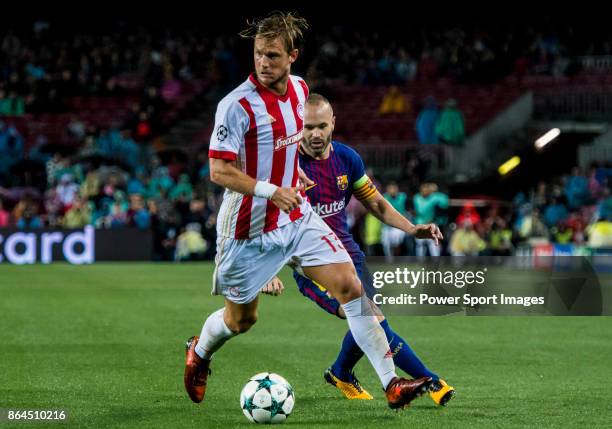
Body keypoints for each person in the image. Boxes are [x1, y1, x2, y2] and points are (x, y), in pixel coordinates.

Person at [183, 12, 433, 410]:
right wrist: (271, 189)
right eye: (258, 54)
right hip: (247, 228)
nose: (263, 63)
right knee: (241, 321)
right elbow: (219, 171)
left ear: (292, 56)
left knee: (352, 286)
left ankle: (391, 384)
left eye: (273, 55)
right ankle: (200, 352)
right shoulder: (236, 106)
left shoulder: (300, 91)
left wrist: (293, 177)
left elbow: (281, 151)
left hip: (295, 216)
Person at [263, 94, 454, 406]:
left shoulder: (347, 159)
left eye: (321, 126)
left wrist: (411, 228)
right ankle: (432, 381)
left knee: (367, 317)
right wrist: (266, 272)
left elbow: (375, 201)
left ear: (333, 124)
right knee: (370, 316)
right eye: (308, 127)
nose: (315, 134)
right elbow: (263, 218)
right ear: (298, 127)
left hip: (350, 256)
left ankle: (341, 371)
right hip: (311, 264)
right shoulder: (285, 168)